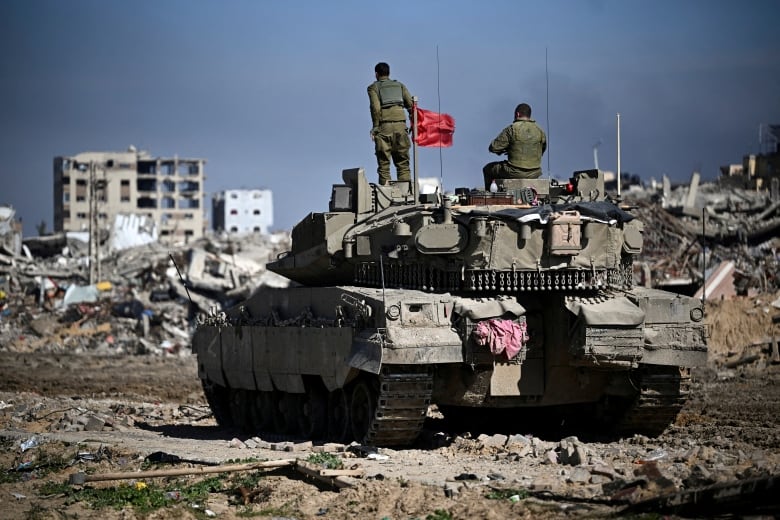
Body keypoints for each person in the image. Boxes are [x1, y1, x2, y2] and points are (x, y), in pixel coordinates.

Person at [367, 62, 414, 185]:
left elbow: (375, 108)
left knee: (384, 165)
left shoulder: (373, 88)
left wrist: (376, 127)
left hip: (384, 128)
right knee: (403, 163)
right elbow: (411, 105)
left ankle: (386, 199)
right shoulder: (400, 86)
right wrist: (413, 122)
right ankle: (405, 196)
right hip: (401, 126)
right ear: (389, 73)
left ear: (376, 74)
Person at [482, 103, 547, 189]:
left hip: (513, 171)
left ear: (517, 114)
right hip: (535, 173)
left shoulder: (512, 129)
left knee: (487, 169)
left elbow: (493, 147)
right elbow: (542, 150)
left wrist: (506, 149)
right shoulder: (540, 130)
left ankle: (490, 195)